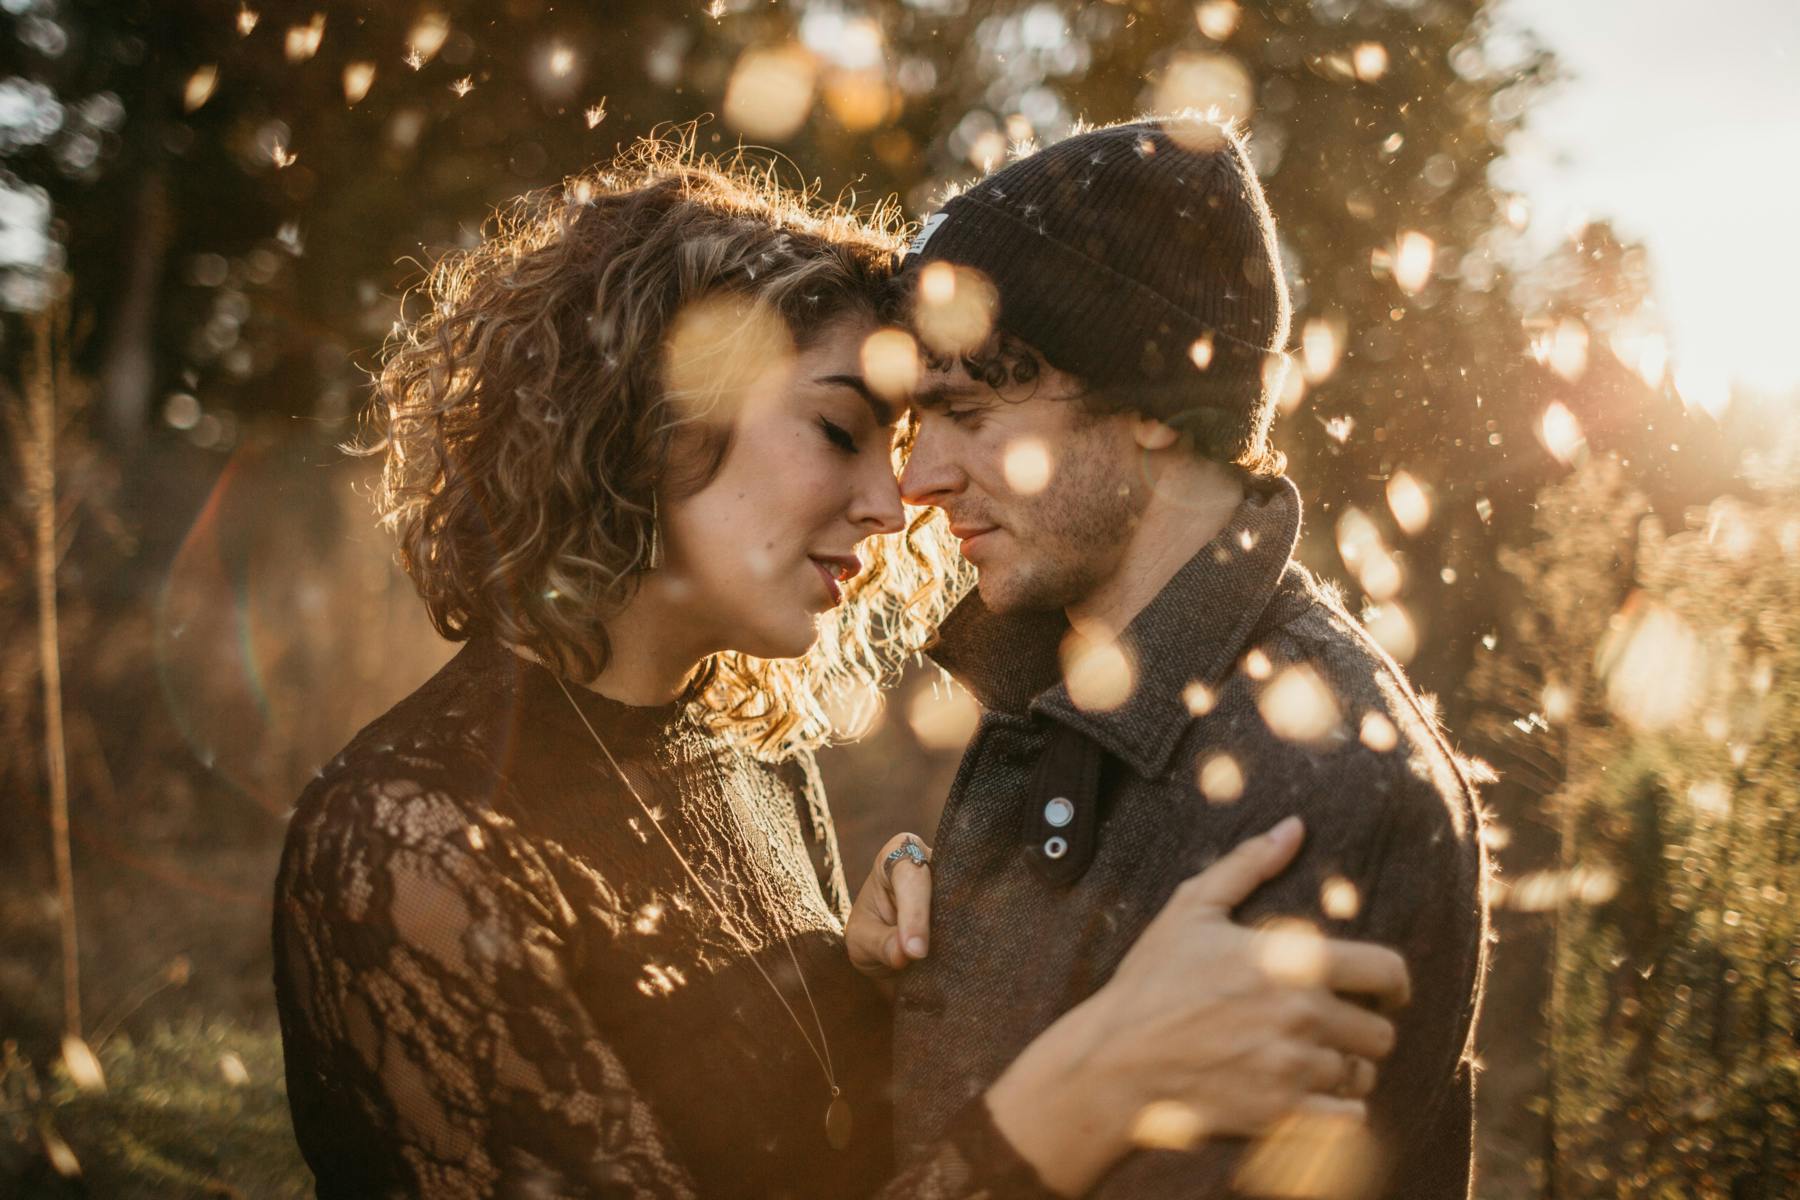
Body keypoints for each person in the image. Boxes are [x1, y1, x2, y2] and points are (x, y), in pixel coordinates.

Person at [270, 133, 1410, 1199]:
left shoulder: (744, 748)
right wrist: (1087, 1085)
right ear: (654, 417)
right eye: (837, 431)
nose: (893, 500)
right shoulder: (406, 844)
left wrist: (873, 997)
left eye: (904, 439)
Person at [873, 114, 1491, 1198]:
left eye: (965, 410)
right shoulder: (1061, 693)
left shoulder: (1322, 787)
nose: (916, 479)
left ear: (1155, 404)